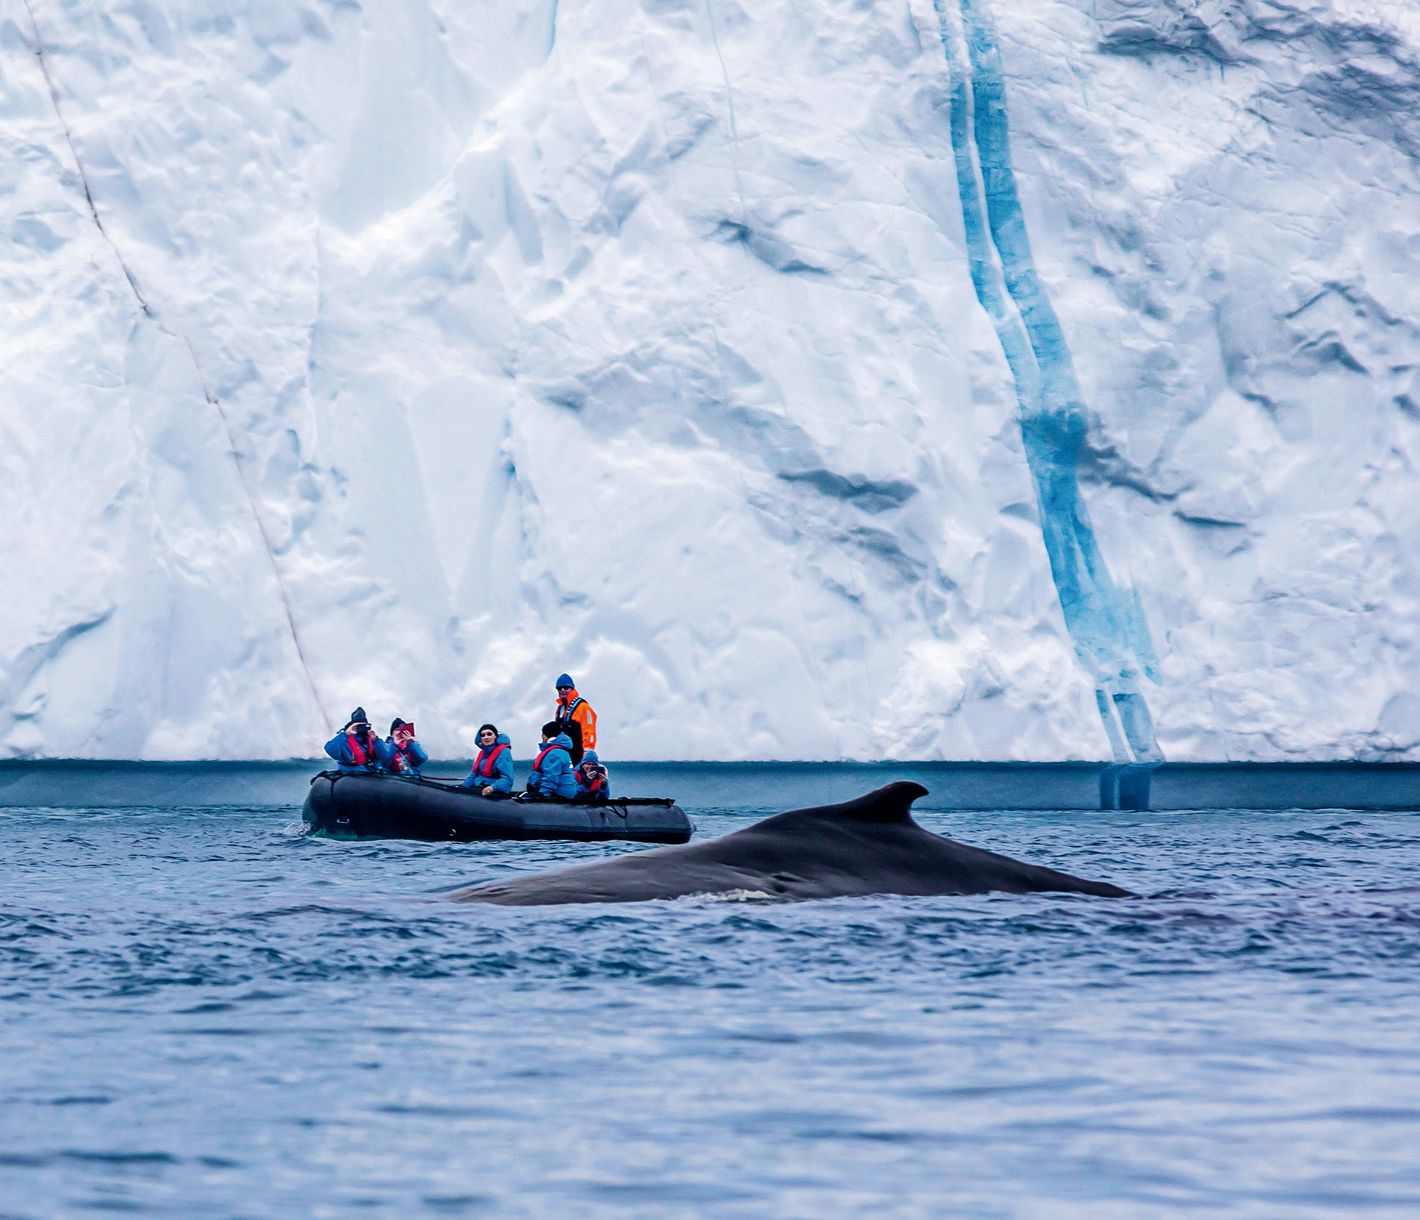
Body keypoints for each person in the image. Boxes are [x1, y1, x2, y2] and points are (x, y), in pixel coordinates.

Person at [525, 720, 578, 800]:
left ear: (549, 736)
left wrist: (543, 794)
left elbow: (551, 776)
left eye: (543, 734)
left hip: (561, 793)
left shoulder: (555, 754)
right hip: (560, 791)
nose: (542, 736)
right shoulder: (557, 751)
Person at [323, 707, 386, 772]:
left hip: (372, 774)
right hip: (351, 775)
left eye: (364, 725)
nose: (361, 728)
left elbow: (385, 757)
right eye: (358, 726)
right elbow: (331, 751)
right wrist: (346, 734)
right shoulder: (343, 740)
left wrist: (375, 741)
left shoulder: (374, 740)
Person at [553, 673, 597, 765]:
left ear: (572, 688)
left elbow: (589, 732)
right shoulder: (560, 709)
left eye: (565, 687)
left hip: (578, 758)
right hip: (564, 757)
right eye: (559, 688)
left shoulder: (583, 707)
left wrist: (587, 754)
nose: (562, 690)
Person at [461, 723, 515, 797]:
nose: (486, 737)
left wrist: (492, 788)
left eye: (489, 734)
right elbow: (474, 774)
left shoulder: (504, 752)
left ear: (495, 736)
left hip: (495, 791)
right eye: (483, 735)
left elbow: (507, 779)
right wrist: (463, 787)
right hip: (479, 786)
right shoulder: (482, 753)